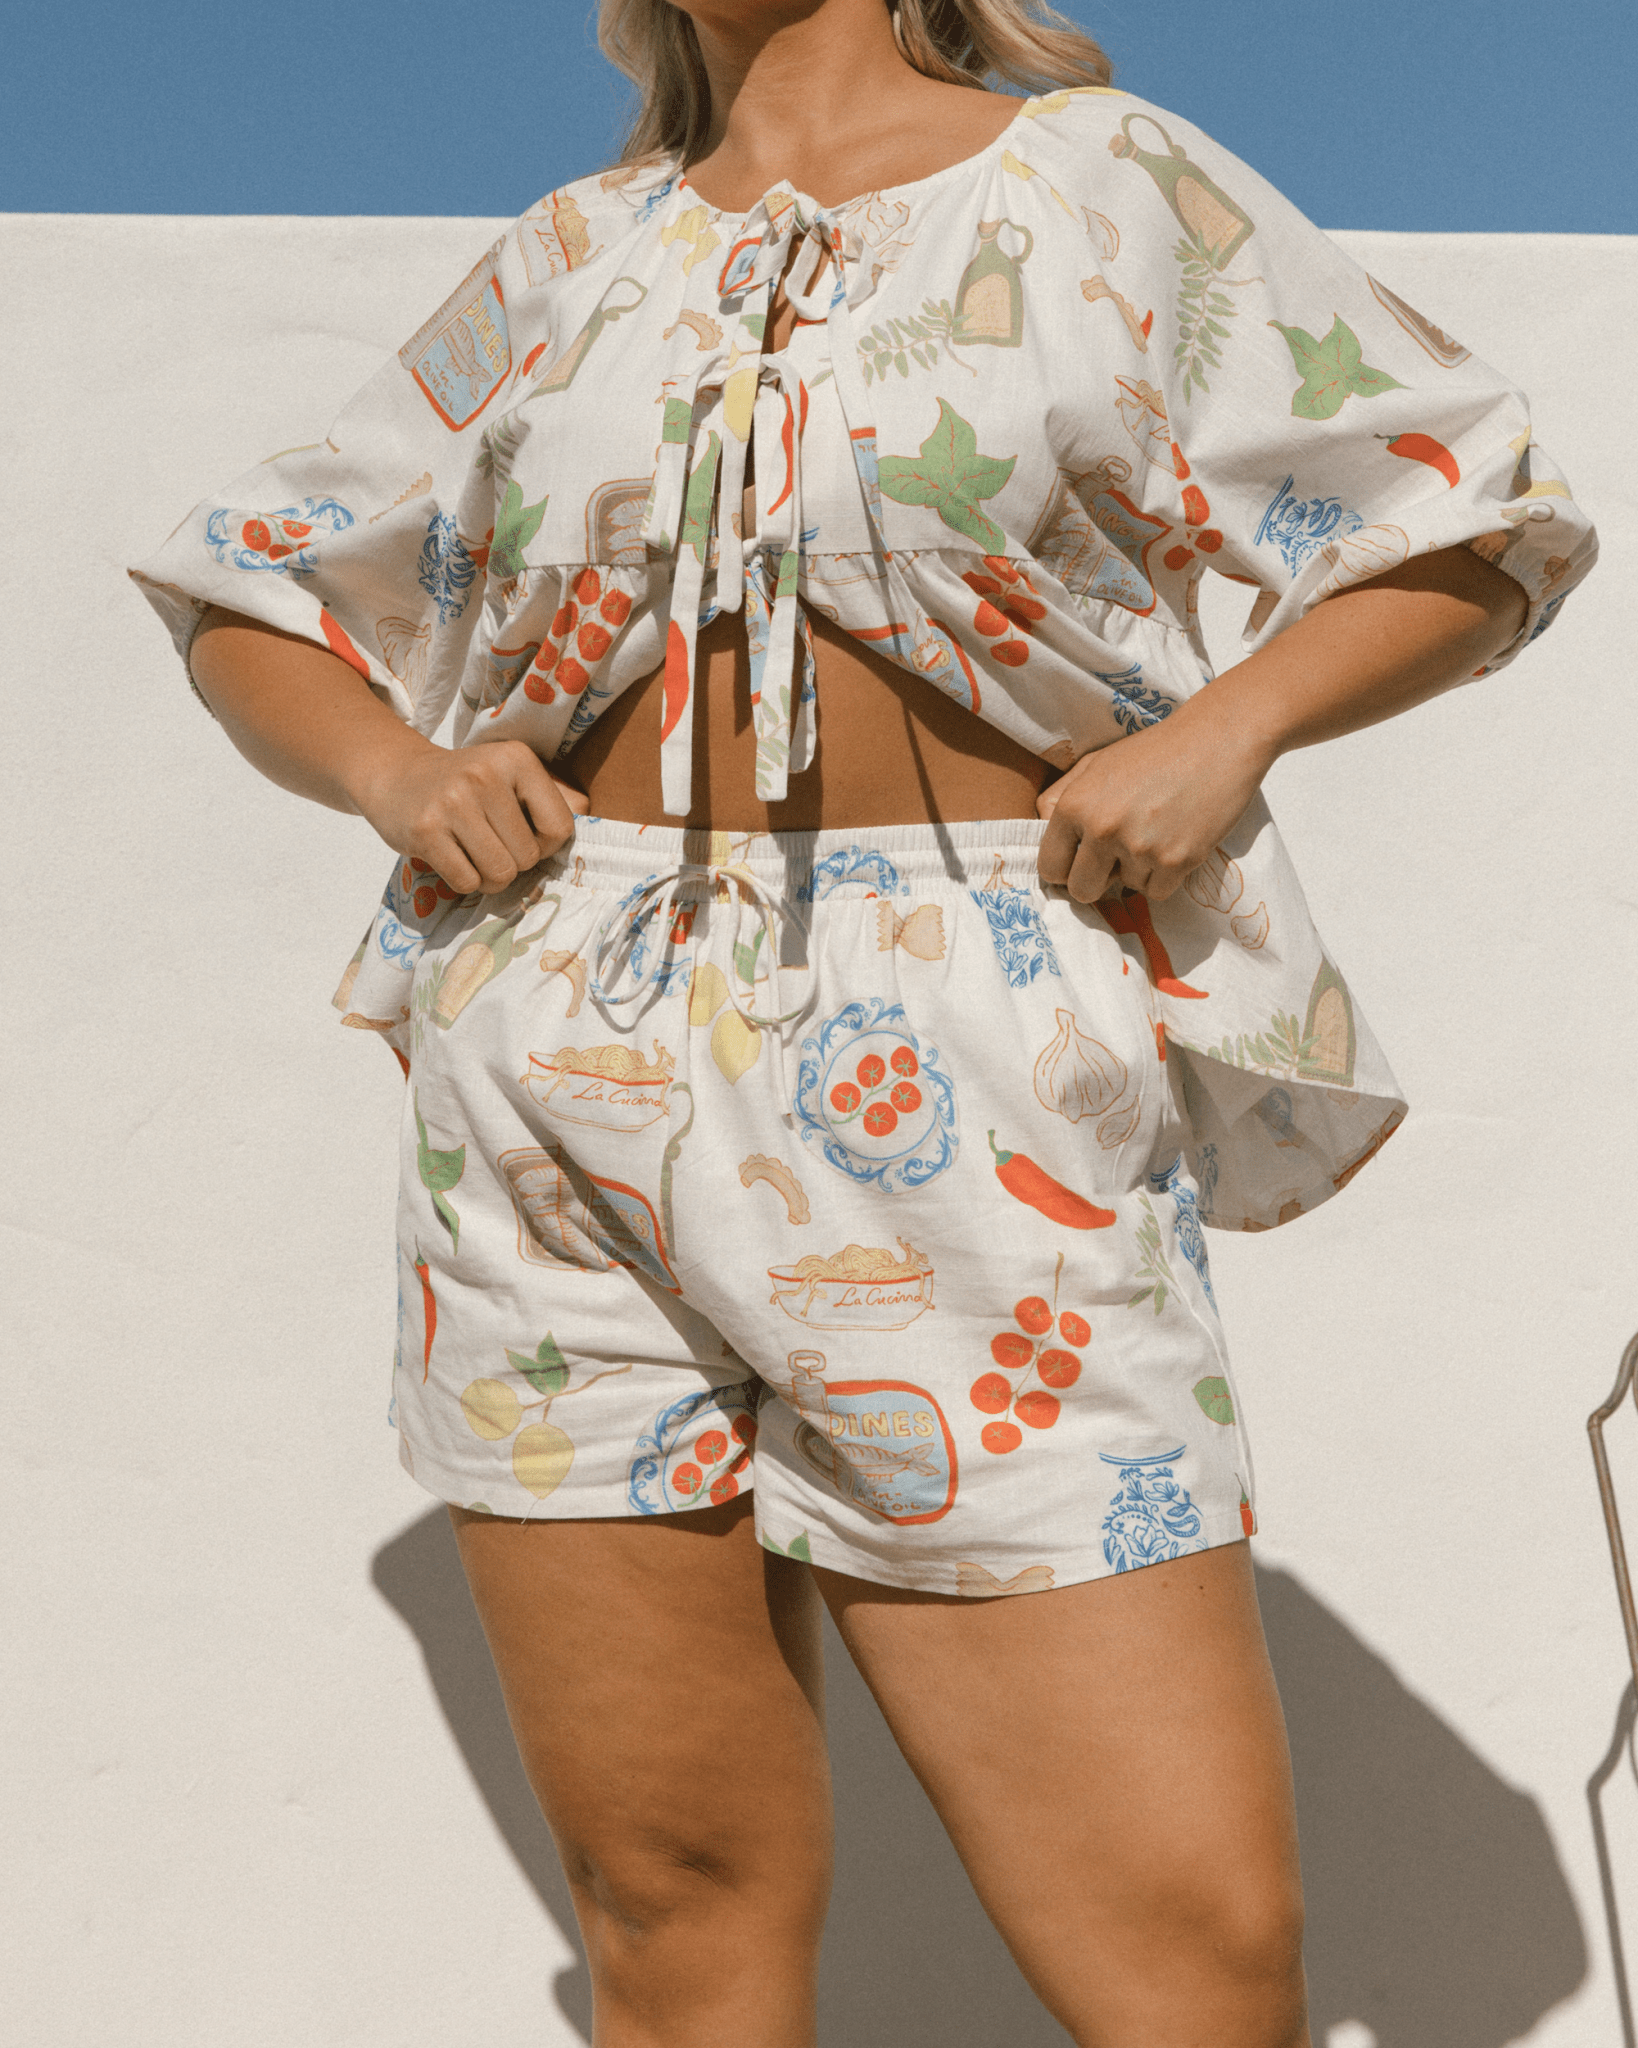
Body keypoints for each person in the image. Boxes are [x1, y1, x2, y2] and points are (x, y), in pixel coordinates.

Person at [129, 1, 1596, 2041]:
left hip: (968, 1035)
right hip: (553, 1053)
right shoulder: (579, 251)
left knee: (1188, 1949)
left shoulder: (1104, 181)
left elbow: (1473, 516)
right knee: (669, 1908)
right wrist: (398, 773)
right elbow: (253, 582)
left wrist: (1226, 729)